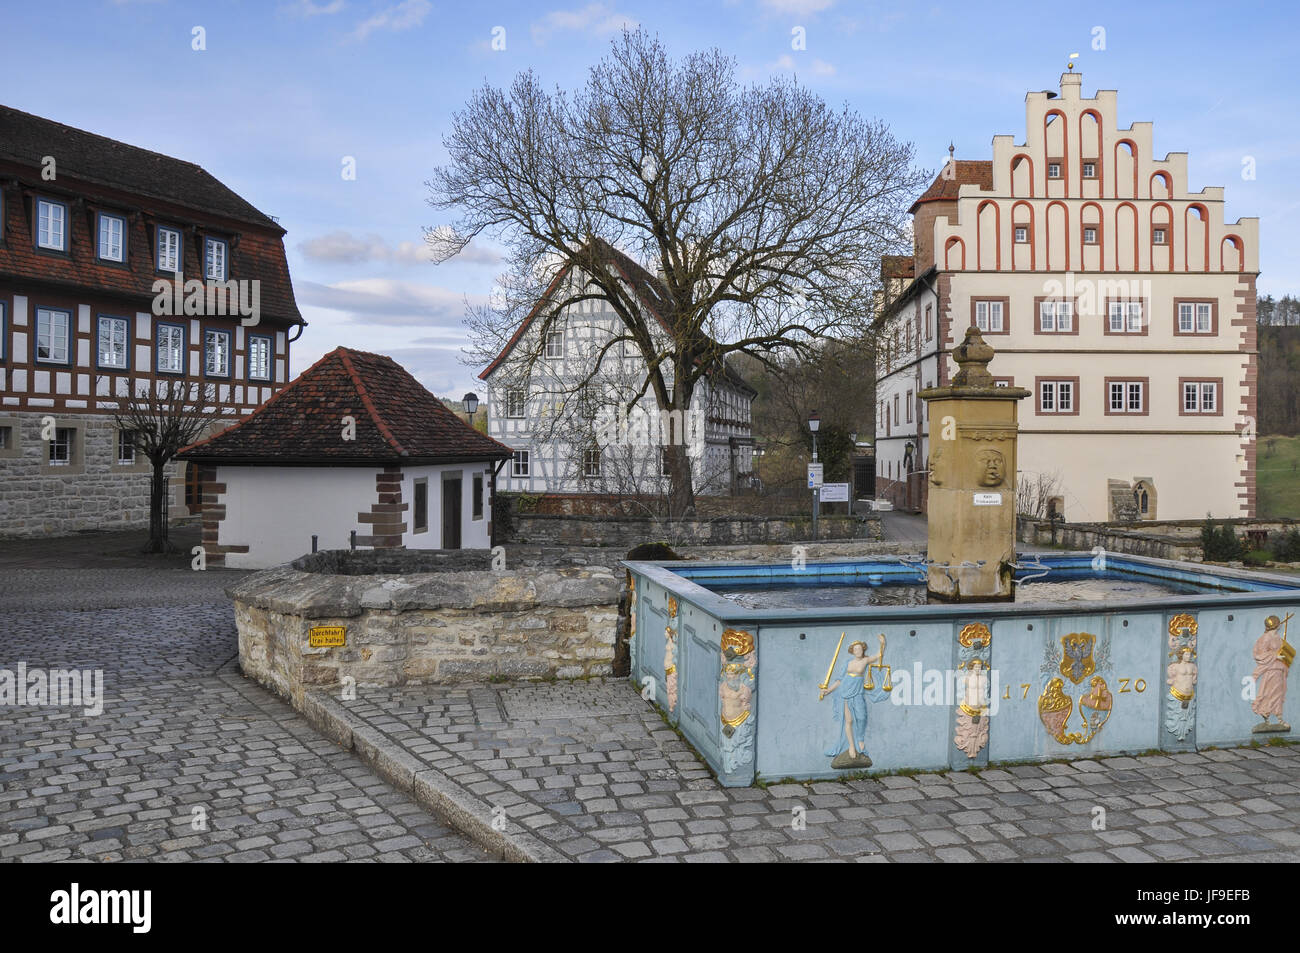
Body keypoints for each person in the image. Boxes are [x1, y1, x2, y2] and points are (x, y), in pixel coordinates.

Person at [820, 639, 889, 769]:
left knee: (862, 717)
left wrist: (882, 644)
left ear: (863, 649)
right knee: (849, 721)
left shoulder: (865, 661)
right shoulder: (848, 663)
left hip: (857, 693)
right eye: (855, 649)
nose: (858, 651)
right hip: (845, 692)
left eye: (860, 649)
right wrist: (828, 690)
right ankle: (852, 746)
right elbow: (840, 680)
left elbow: (879, 655)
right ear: (852, 651)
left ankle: (860, 739)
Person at [1251, 615, 1292, 732]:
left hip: (1280, 669)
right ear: (1276, 624)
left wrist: (1285, 653)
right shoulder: (1265, 638)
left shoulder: (1278, 638)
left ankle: (1278, 718)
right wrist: (1275, 655)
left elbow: (1281, 651)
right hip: (1272, 669)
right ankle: (1268, 717)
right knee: (1271, 693)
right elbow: (1259, 654)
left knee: (1278, 694)